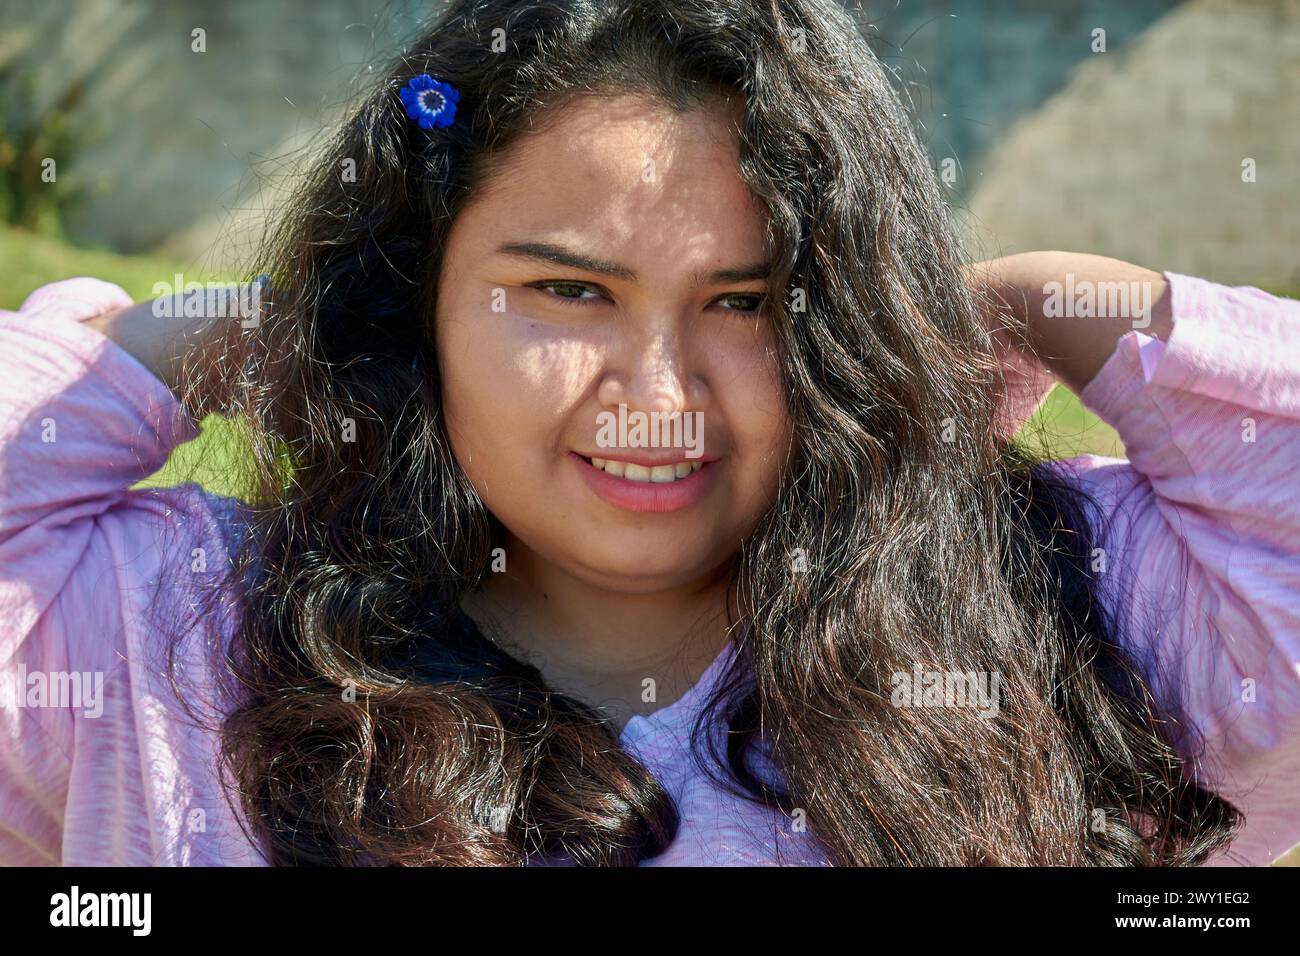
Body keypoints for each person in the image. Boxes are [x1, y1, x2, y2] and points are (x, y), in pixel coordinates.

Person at [1, 0, 1298, 866]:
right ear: (419, 299)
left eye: (746, 302)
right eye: (569, 291)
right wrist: (212, 339)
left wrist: (1038, 301)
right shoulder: (171, 635)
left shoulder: (1057, 614)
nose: (658, 392)